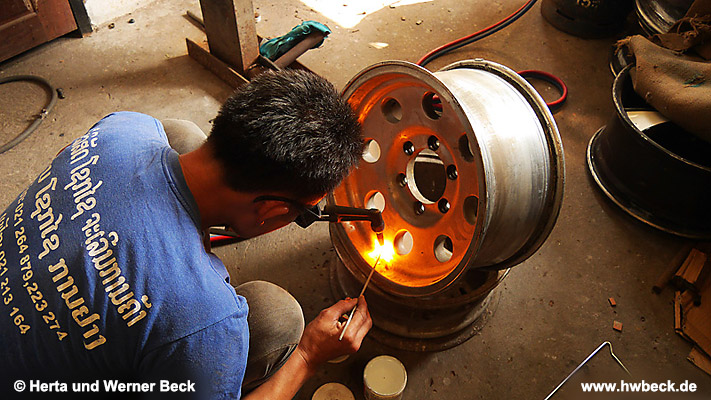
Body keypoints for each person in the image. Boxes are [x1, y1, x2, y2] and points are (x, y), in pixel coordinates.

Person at [0, 69, 371, 399]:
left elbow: (66, 156)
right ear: (272, 209)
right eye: (303, 212)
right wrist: (308, 355)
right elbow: (192, 313)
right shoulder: (209, 322)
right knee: (276, 317)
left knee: (180, 134)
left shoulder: (125, 127)